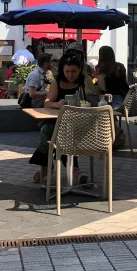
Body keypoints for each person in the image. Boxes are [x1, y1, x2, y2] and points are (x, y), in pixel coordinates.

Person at [30, 53, 88, 184]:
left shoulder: (85, 82)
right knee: (49, 132)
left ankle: (46, 167)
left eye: (73, 71)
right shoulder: (57, 82)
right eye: (67, 71)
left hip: (80, 126)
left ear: (80, 70)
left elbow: (93, 99)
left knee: (51, 135)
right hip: (58, 123)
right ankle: (75, 170)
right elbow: (47, 103)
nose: (70, 74)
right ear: (62, 70)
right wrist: (58, 104)